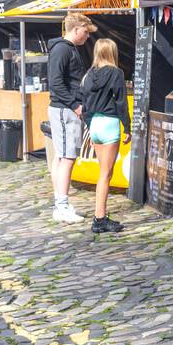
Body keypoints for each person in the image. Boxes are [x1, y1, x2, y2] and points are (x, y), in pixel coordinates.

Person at [48, 12, 95, 223]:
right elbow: (56, 83)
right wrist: (75, 105)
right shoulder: (62, 50)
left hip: (64, 108)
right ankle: (61, 206)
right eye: (85, 32)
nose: (87, 37)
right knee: (67, 158)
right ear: (75, 30)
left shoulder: (66, 49)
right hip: (65, 109)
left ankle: (61, 202)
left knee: (62, 157)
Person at [79, 38, 128, 235]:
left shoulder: (88, 76)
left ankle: (100, 216)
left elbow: (85, 106)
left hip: (96, 124)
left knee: (103, 172)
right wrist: (128, 127)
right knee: (106, 175)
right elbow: (121, 103)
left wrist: (90, 127)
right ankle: (99, 218)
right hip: (109, 123)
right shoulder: (116, 74)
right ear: (112, 53)